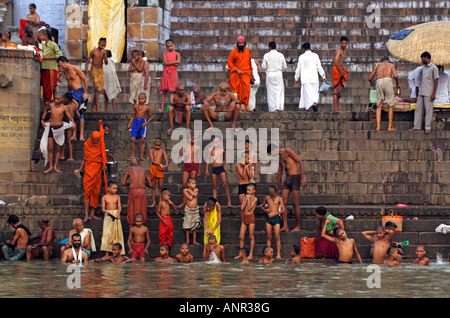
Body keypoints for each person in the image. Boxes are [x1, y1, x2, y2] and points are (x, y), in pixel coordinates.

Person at [268, 144, 306, 232]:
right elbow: (279, 175)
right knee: (283, 202)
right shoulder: (280, 159)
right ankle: (285, 226)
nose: (272, 156)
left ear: (274, 150)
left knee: (294, 202)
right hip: (287, 180)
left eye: (271, 153)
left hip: (295, 177)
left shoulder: (287, 151)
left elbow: (300, 162)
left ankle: (298, 226)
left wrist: (303, 177)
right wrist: (277, 190)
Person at [76, 123, 107, 222]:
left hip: (98, 171)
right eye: (94, 140)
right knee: (87, 193)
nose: (96, 142)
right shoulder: (86, 145)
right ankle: (86, 214)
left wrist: (104, 165)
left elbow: (103, 157)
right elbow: (85, 158)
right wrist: (80, 169)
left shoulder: (101, 145)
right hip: (89, 171)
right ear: (91, 138)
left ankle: (92, 213)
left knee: (96, 192)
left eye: (97, 140)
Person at [40, 93, 74, 174]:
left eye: (58, 99)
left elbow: (69, 116)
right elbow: (45, 110)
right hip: (51, 128)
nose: (56, 100)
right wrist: (42, 119)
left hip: (60, 128)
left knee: (58, 148)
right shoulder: (51, 105)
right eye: (55, 98)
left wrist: (72, 122)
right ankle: (51, 166)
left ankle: (55, 166)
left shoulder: (64, 108)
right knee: (50, 148)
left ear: (61, 99)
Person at [57, 56, 89, 141]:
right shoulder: (64, 71)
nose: (60, 67)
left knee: (80, 113)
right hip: (71, 94)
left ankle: (81, 135)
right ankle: (74, 135)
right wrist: (60, 75)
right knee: (72, 114)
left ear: (65, 62)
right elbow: (60, 81)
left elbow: (85, 79)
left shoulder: (75, 69)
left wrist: (85, 92)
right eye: (59, 66)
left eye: (61, 65)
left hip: (79, 92)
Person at [409, 51, 439, 134]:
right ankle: (416, 126)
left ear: (427, 58)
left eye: (422, 59)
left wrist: (434, 93)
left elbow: (436, 80)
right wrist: (417, 92)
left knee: (429, 110)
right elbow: (419, 81)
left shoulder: (434, 68)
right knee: (418, 109)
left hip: (429, 92)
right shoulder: (422, 69)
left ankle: (427, 127)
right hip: (421, 92)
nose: (422, 61)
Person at [368, 56, 400, 131]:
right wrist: (397, 84)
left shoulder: (377, 65)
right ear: (388, 60)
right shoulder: (391, 65)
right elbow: (395, 76)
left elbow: (370, 78)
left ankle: (378, 126)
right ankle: (390, 127)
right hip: (388, 81)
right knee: (390, 105)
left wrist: (371, 83)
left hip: (378, 82)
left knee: (379, 105)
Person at [294, 42, 327, 112]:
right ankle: (314, 103)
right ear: (310, 48)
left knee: (307, 94)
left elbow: (298, 69)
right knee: (315, 93)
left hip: (305, 79)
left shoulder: (301, 57)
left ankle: (308, 107)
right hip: (314, 78)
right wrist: (323, 76)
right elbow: (319, 67)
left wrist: (296, 78)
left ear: (303, 49)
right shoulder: (315, 56)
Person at [121, 157, 152, 226]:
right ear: (139, 163)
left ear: (131, 164)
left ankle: (131, 232)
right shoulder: (143, 170)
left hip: (133, 191)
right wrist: (143, 184)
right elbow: (150, 184)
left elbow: (123, 183)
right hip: (142, 191)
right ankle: (142, 230)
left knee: (131, 210)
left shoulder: (129, 169)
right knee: (142, 210)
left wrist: (130, 183)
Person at [227, 36, 254, 111]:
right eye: (239, 43)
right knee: (237, 93)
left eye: (242, 43)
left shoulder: (247, 51)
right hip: (236, 75)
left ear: (244, 43)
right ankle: (239, 108)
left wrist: (252, 75)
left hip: (246, 74)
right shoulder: (233, 52)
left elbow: (249, 64)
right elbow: (229, 63)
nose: (241, 44)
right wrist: (236, 69)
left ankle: (246, 107)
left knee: (246, 92)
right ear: (237, 43)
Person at [205, 135, 232, 207]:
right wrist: (206, 169)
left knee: (225, 184)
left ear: (219, 143)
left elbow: (224, 158)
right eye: (214, 142)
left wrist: (223, 165)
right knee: (215, 186)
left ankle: (229, 200)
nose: (215, 144)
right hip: (214, 168)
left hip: (220, 167)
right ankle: (214, 202)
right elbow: (208, 159)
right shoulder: (210, 150)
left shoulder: (222, 150)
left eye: (216, 142)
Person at [261, 41, 287, 112]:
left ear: (269, 47)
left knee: (271, 93)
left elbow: (263, 67)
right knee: (279, 92)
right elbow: (285, 66)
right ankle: (277, 107)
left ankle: (272, 109)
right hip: (278, 74)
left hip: (270, 74)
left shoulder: (266, 55)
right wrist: (279, 70)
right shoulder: (281, 55)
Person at [100, 183, 125, 256]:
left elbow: (119, 206)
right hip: (108, 216)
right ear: (109, 188)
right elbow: (103, 208)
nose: (115, 190)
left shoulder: (117, 197)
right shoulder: (105, 197)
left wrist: (118, 214)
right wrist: (105, 212)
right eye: (114, 188)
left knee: (116, 233)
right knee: (107, 233)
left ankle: (117, 252)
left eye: (116, 188)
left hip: (116, 214)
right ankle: (107, 252)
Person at [261, 185, 286, 259]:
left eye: (272, 194)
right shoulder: (267, 198)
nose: (271, 196)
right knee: (269, 236)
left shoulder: (279, 198)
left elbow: (283, 210)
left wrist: (274, 214)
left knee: (277, 235)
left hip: (276, 217)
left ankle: (278, 254)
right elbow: (262, 206)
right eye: (270, 194)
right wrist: (265, 210)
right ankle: (268, 254)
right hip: (269, 218)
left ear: (275, 192)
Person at [127, 93, 152, 161]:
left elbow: (150, 117)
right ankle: (132, 155)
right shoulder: (135, 106)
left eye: (142, 98)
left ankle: (141, 156)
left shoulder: (147, 107)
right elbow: (133, 116)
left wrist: (146, 123)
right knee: (132, 139)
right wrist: (129, 123)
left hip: (143, 123)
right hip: (135, 123)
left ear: (145, 99)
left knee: (142, 140)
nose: (141, 100)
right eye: (139, 99)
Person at [178, 134, 201, 209]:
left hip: (194, 166)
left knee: (192, 185)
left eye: (194, 139)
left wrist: (199, 170)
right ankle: (184, 201)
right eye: (192, 139)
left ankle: (191, 202)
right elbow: (180, 154)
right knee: (184, 184)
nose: (193, 141)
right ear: (188, 139)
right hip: (186, 166)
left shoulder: (197, 147)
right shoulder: (185, 146)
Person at [86, 38, 108, 112]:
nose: (102, 47)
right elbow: (87, 62)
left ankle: (93, 108)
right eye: (102, 45)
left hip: (100, 70)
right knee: (97, 88)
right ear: (99, 44)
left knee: (98, 90)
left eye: (104, 46)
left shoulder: (103, 52)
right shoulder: (93, 51)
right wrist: (86, 73)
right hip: (94, 70)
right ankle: (97, 107)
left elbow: (106, 63)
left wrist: (104, 55)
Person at [160, 39, 181, 112]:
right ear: (166, 47)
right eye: (168, 47)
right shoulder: (164, 54)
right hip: (166, 73)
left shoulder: (177, 54)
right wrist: (175, 62)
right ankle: (162, 107)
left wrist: (168, 63)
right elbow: (168, 63)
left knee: (175, 91)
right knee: (164, 91)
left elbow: (178, 64)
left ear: (173, 45)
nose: (169, 48)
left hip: (173, 72)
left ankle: (176, 107)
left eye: (171, 46)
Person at [237, 183, 257, 260]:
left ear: (253, 191)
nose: (248, 192)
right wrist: (245, 199)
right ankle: (241, 254)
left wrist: (248, 199)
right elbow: (242, 208)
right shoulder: (245, 197)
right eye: (247, 190)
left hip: (251, 217)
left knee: (251, 236)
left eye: (249, 190)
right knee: (241, 236)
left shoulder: (255, 199)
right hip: (244, 218)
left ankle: (251, 254)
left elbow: (249, 208)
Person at [332, 36, 350, 112]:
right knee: (336, 90)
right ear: (340, 43)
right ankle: (335, 108)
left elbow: (339, 62)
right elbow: (336, 61)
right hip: (336, 70)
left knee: (339, 90)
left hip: (339, 69)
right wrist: (341, 71)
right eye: (342, 43)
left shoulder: (344, 51)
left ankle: (338, 108)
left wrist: (344, 70)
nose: (344, 44)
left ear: (347, 44)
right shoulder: (339, 51)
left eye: (345, 43)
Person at [149, 138, 168, 208]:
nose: (157, 147)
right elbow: (152, 160)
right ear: (154, 144)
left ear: (161, 145)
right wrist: (159, 164)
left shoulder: (162, 151)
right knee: (153, 186)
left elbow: (166, 159)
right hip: (154, 168)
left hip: (160, 169)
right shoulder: (151, 150)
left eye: (159, 146)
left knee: (160, 186)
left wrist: (166, 164)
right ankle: (153, 202)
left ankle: (160, 201)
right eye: (156, 145)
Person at [60, 92, 80, 161]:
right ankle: (71, 157)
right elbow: (78, 115)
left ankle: (62, 155)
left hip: (66, 123)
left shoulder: (65, 107)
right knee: (68, 141)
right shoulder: (75, 106)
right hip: (71, 124)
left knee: (64, 140)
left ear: (67, 99)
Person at [182, 178, 202, 245]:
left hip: (195, 210)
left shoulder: (195, 190)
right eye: (193, 183)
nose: (194, 185)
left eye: (195, 184)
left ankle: (194, 240)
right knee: (187, 226)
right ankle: (187, 240)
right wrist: (191, 191)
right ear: (188, 184)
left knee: (195, 226)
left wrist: (190, 191)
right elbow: (190, 198)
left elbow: (195, 195)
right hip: (188, 210)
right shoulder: (185, 191)